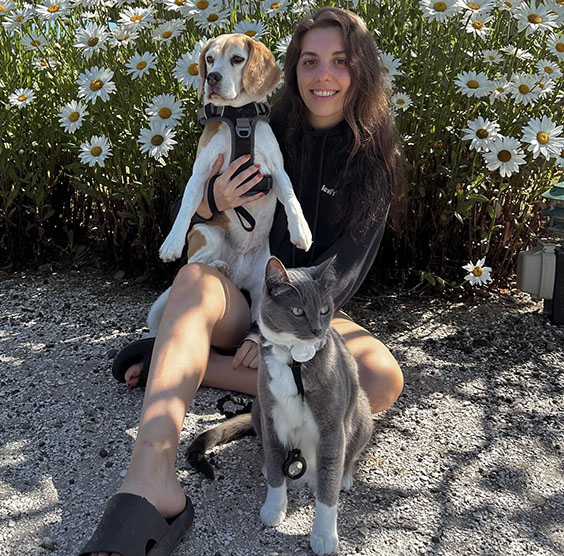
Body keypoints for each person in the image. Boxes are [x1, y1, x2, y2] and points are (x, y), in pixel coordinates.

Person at [80, 7, 405, 556]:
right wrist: (213, 200)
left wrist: (271, 333)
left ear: (362, 71)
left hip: (306, 314)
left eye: (340, 62)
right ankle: (150, 475)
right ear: (289, 70)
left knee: (380, 380)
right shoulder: (256, 124)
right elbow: (206, 215)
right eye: (310, 61)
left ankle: (183, 359)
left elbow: (344, 269)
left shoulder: (375, 161)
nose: (323, 75)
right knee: (192, 281)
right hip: (241, 291)